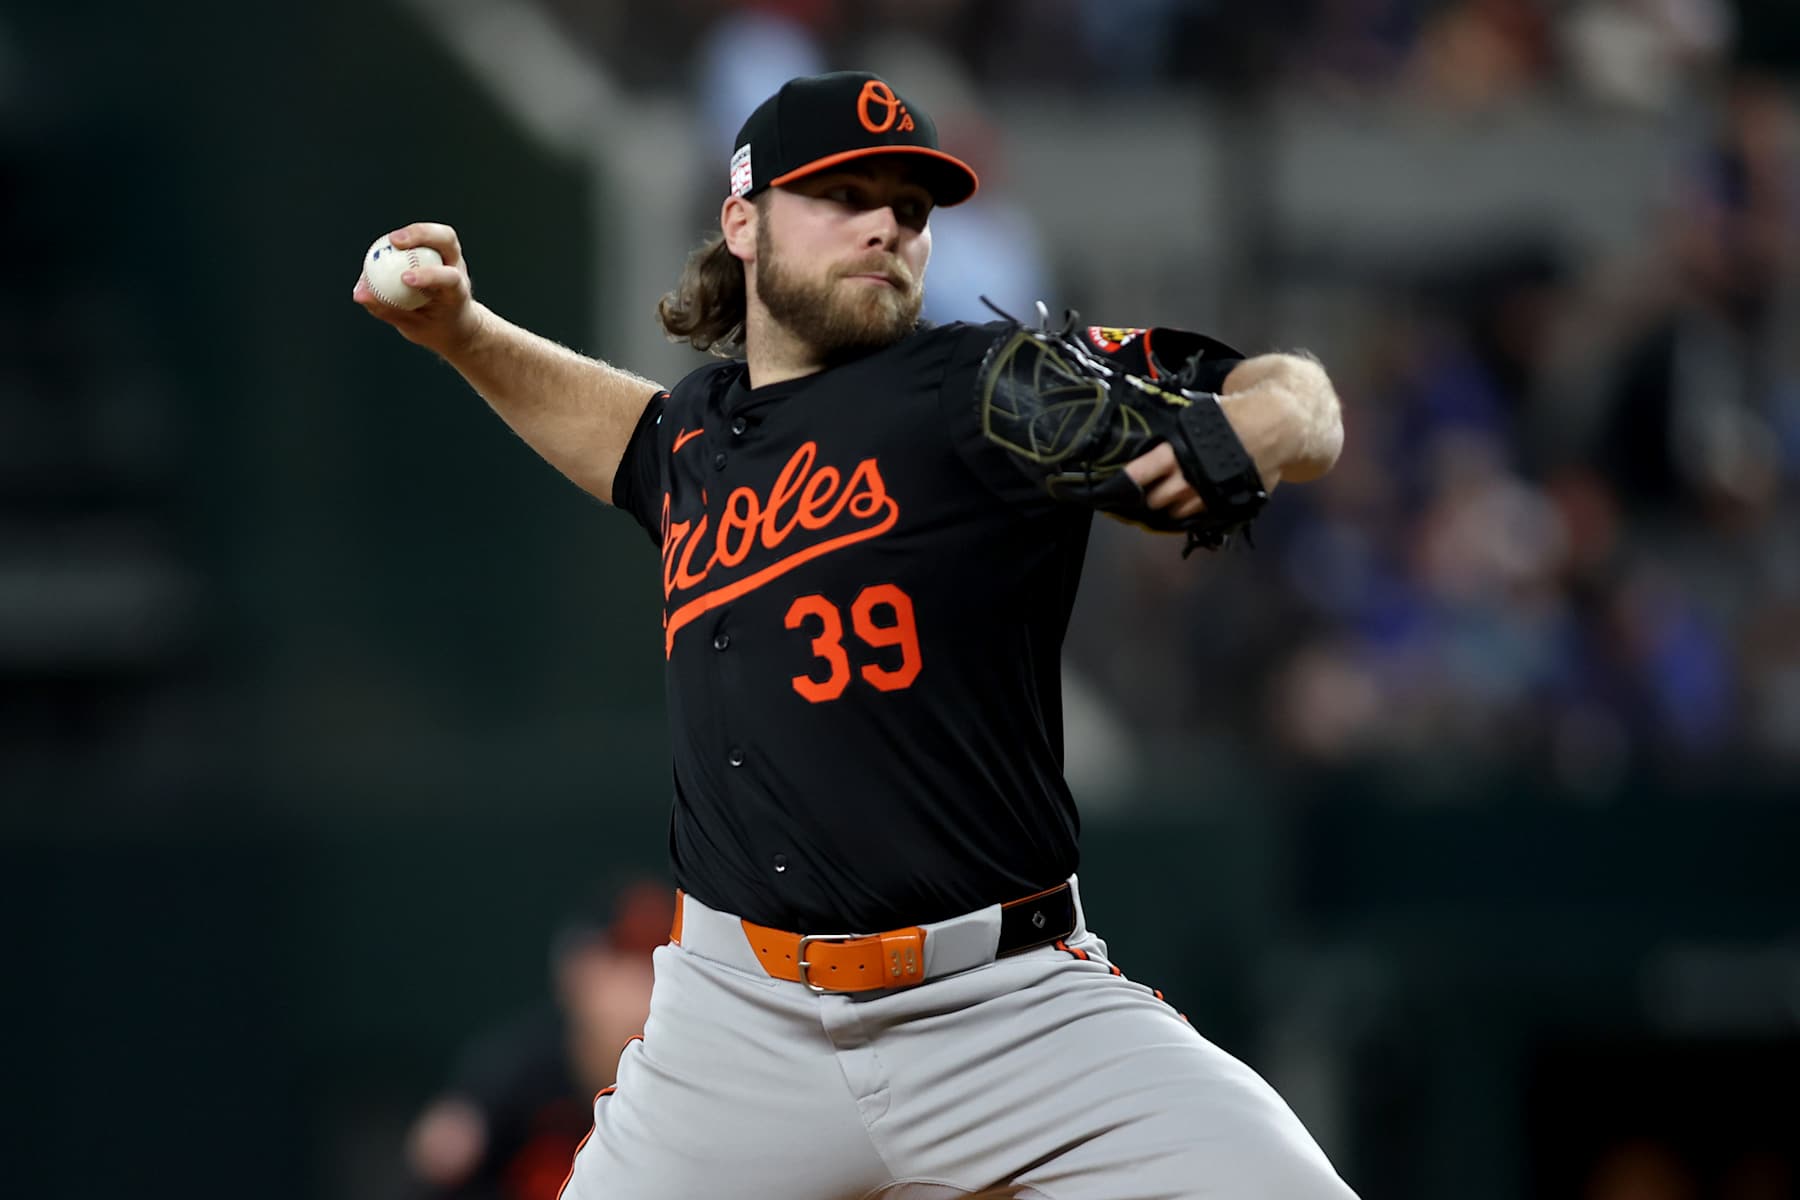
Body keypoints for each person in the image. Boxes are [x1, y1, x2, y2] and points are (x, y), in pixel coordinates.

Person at [355, 70, 1354, 1200]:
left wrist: (1268, 422)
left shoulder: (985, 385)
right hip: (735, 1029)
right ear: (742, 221)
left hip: (1005, 1008)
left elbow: (1282, 395)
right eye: (842, 194)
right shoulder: (699, 440)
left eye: (912, 209)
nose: (886, 224)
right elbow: (628, 439)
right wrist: (463, 333)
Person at [403, 883, 670, 1200]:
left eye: (651, 962)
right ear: (576, 969)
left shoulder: (687, 1079)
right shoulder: (517, 1068)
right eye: (623, 957)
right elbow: (439, 1154)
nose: (637, 982)